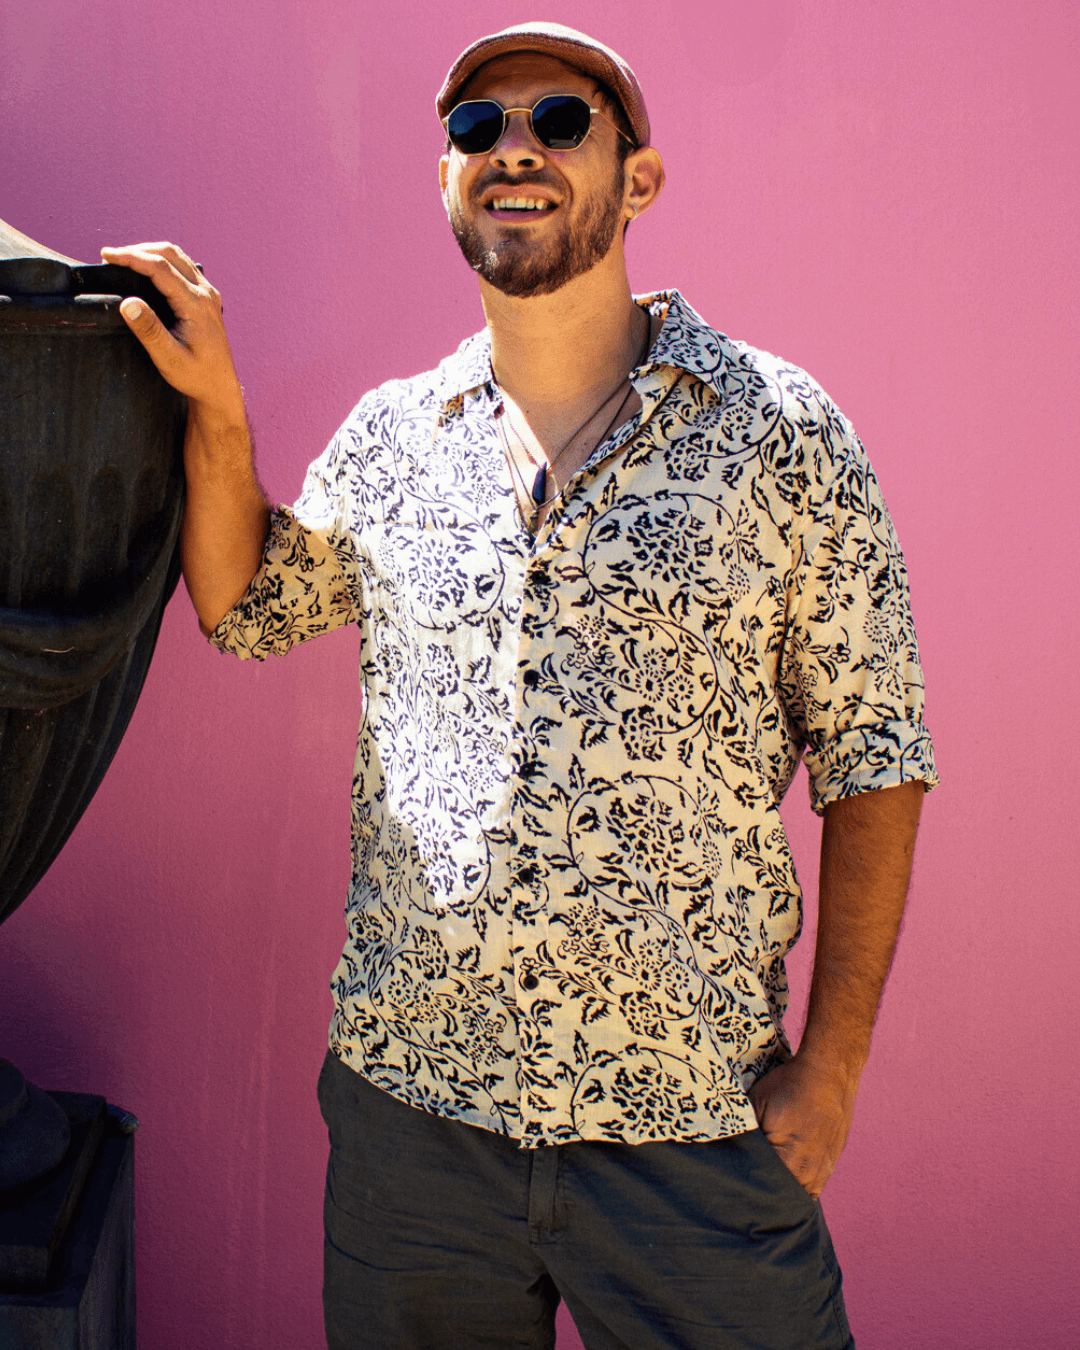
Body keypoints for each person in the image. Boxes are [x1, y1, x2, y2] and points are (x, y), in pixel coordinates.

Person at [104, 21, 936, 1350]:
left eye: (558, 119)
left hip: (692, 1129)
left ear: (639, 178)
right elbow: (247, 606)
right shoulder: (394, 438)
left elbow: (875, 751)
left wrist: (829, 1071)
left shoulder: (782, 434)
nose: (516, 150)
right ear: (447, 179)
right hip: (414, 1125)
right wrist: (217, 407)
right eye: (478, 130)